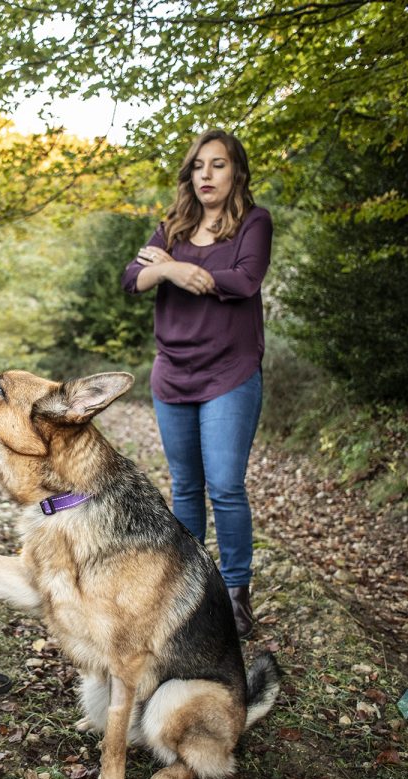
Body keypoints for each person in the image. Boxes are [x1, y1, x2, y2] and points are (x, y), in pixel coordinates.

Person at [121, 129, 272, 639]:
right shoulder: (172, 226)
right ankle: (189, 589)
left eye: (218, 165)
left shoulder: (254, 222)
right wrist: (167, 271)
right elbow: (130, 279)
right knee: (185, 486)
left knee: (225, 486)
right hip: (174, 374)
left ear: (237, 174)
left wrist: (176, 269)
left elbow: (244, 280)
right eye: (198, 166)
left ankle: (235, 594)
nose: (206, 175)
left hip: (230, 372)